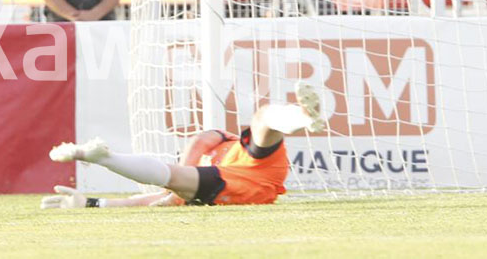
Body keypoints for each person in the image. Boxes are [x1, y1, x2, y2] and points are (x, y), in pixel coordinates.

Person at [41, 82, 324, 208]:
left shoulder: (214, 147)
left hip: (256, 165)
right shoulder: (193, 182)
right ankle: (102, 157)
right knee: (174, 178)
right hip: (248, 184)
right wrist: (93, 203)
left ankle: (301, 116)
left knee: (263, 118)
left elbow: (205, 137)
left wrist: (177, 180)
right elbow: (148, 199)